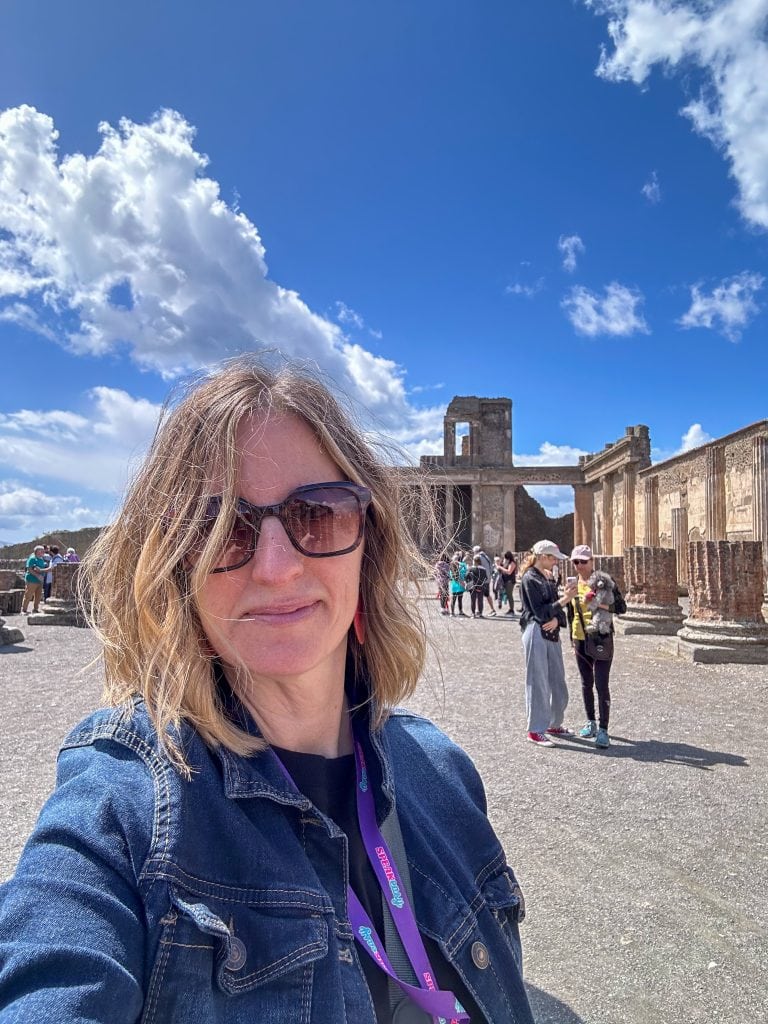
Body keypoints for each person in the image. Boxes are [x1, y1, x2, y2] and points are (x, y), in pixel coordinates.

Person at [0, 358, 533, 1024]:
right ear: (173, 566)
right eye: (220, 528)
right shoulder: (122, 812)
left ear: (369, 540)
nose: (277, 567)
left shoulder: (443, 772)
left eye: (319, 515)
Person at [518, 540, 578, 747]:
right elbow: (539, 611)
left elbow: (556, 613)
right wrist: (565, 599)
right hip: (536, 631)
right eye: (552, 558)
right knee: (538, 682)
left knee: (558, 682)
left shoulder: (548, 578)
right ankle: (535, 729)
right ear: (542, 557)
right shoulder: (530, 579)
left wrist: (557, 619)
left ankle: (553, 723)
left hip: (551, 633)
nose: (555, 562)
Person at [567, 544, 614, 749]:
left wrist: (596, 602)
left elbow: (620, 607)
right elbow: (571, 614)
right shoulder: (573, 584)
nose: (579, 565)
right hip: (580, 638)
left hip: (601, 637)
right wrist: (571, 639)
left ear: (592, 561)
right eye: (575, 561)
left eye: (583, 561)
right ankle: (591, 722)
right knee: (586, 683)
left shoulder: (604, 582)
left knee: (601, 685)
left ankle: (604, 729)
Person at [21, 545, 47, 614]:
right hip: (31, 580)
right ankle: (24, 610)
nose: (43, 552)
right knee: (28, 595)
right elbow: (29, 569)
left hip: (40, 580)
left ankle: (35, 609)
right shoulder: (32, 559)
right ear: (37, 551)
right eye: (41, 550)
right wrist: (37, 576)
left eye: (43, 550)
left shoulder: (41, 559)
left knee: (38, 596)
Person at [472, 545, 497, 616]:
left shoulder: (477, 557)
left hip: (480, 580)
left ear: (476, 551)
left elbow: (475, 568)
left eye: (474, 552)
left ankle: (477, 610)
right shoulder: (487, 557)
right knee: (487, 594)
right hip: (488, 579)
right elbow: (491, 568)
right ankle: (493, 609)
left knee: (478, 595)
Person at [498, 550, 518, 617]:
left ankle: (512, 610)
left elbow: (509, 572)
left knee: (509, 595)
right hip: (505, 580)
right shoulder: (507, 562)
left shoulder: (512, 563)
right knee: (504, 593)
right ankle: (509, 608)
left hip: (510, 581)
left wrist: (500, 567)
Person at [449, 550, 468, 616]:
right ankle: (452, 612)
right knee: (453, 599)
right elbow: (454, 576)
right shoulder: (452, 567)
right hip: (455, 585)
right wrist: (462, 582)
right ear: (453, 560)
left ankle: (460, 611)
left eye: (457, 559)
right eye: (455, 559)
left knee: (460, 599)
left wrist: (460, 564)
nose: (457, 560)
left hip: (460, 586)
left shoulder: (461, 566)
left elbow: (465, 571)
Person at [433, 550, 451, 615]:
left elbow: (434, 573)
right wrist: (449, 578)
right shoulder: (446, 565)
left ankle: (442, 608)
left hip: (439, 582)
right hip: (445, 582)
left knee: (441, 595)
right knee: (445, 595)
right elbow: (448, 574)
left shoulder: (437, 565)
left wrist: (437, 579)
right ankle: (445, 609)